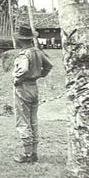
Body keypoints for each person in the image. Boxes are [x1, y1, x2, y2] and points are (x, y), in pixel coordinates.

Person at [12, 25, 53, 163]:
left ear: (21, 40)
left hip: (23, 88)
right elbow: (49, 65)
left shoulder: (24, 54)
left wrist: (17, 79)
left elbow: (23, 69)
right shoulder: (37, 52)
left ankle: (28, 154)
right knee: (33, 120)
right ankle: (34, 152)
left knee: (23, 120)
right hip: (34, 87)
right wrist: (40, 75)